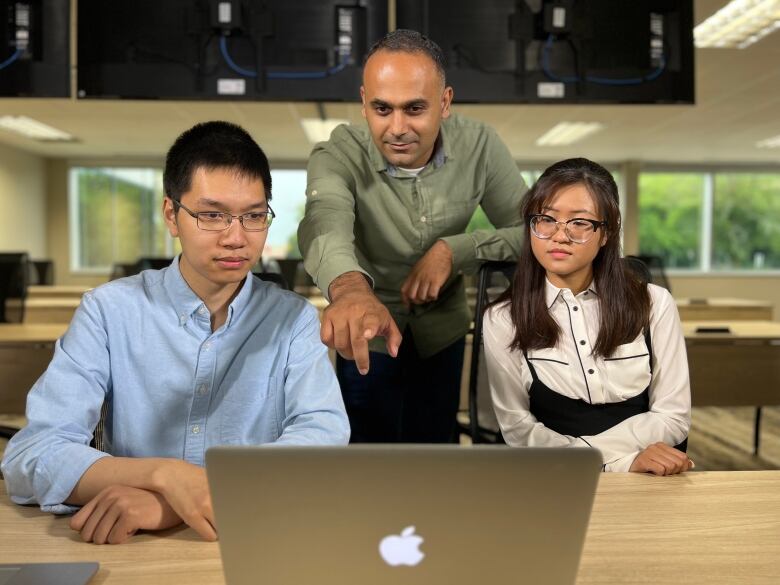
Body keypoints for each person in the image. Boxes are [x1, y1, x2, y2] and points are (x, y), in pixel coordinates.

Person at [1, 121, 350, 544]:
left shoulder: (292, 319)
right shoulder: (109, 312)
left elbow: (321, 440)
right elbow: (31, 456)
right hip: (133, 547)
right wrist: (164, 475)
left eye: (254, 216)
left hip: (253, 539)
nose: (236, 237)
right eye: (212, 215)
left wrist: (173, 503)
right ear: (172, 215)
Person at [297, 30, 527, 443]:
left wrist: (454, 250)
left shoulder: (481, 146)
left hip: (443, 332)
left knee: (436, 451)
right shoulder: (337, 154)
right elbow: (324, 221)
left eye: (415, 109)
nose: (397, 128)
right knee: (367, 454)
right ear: (364, 102)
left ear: (445, 103)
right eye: (382, 109)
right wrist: (349, 289)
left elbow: (535, 232)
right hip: (368, 329)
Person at [483, 158, 693, 474]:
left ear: (607, 233)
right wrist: (617, 462)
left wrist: (592, 458)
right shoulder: (502, 318)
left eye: (580, 223)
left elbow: (673, 416)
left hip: (648, 479)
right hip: (553, 479)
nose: (559, 235)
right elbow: (517, 429)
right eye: (546, 219)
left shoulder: (655, 303)